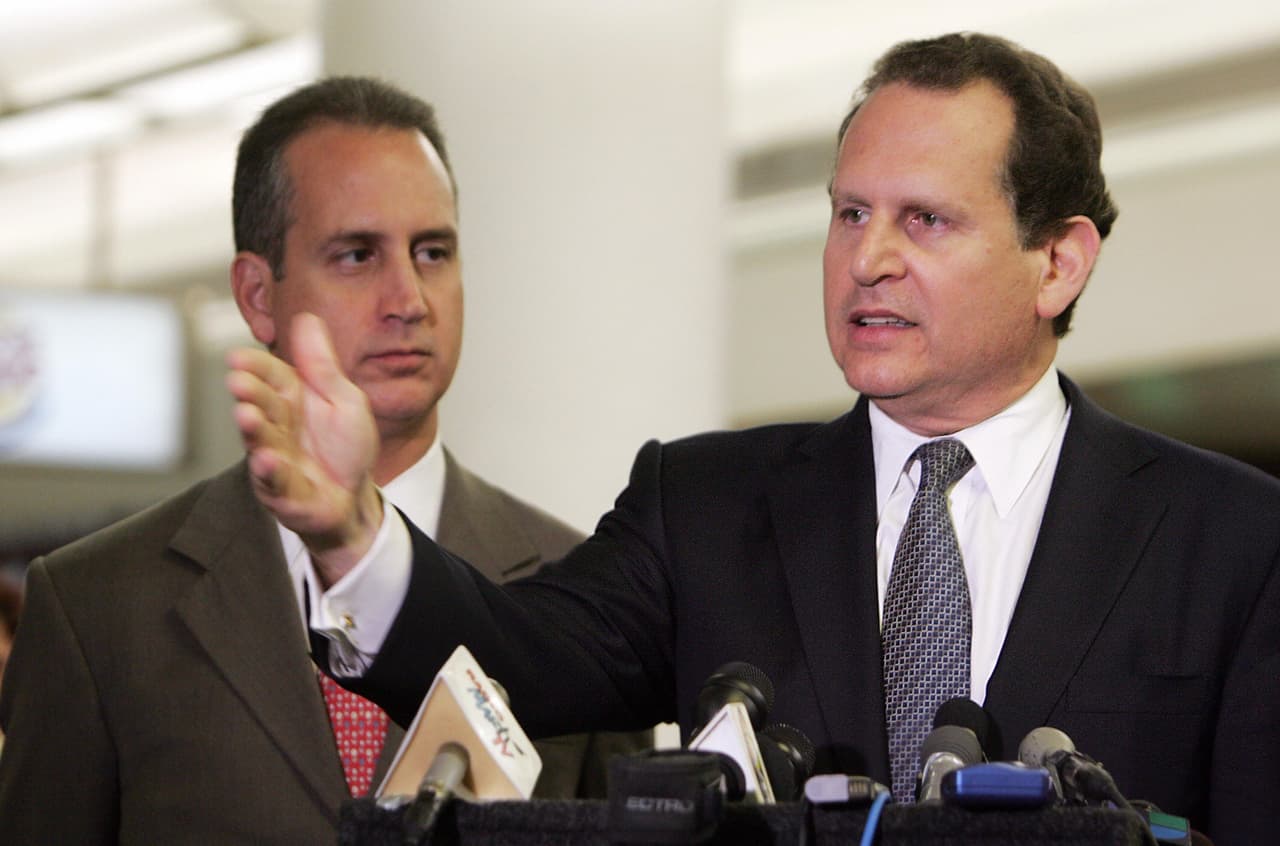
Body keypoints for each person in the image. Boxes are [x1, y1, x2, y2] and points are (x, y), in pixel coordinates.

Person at [227, 36, 1279, 846]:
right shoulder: (702, 505)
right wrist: (354, 533)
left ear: (1056, 262)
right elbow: (512, 663)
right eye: (847, 212)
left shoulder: (1232, 541)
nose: (865, 259)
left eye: (923, 222)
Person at [0, 76, 646, 845]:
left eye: (432, 251)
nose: (409, 297)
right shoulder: (98, 605)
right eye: (356, 255)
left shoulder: (580, 586)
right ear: (257, 295)